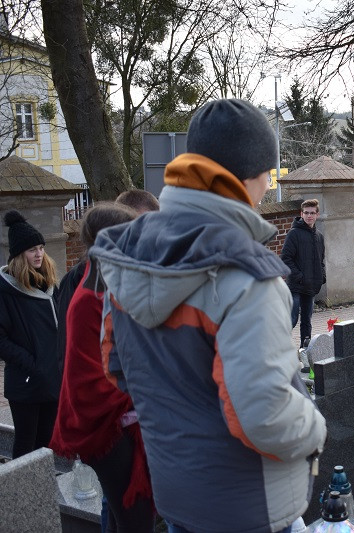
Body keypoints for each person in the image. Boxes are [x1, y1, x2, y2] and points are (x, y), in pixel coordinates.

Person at [90, 98, 327, 533]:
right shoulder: (246, 276)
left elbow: (116, 368)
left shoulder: (130, 255)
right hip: (248, 507)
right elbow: (264, 416)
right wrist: (315, 425)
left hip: (178, 495)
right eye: (269, 174)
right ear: (253, 175)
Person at [50, 203, 155, 533]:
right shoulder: (88, 299)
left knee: (130, 518)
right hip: (105, 428)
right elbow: (88, 381)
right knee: (133, 518)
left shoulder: (107, 287)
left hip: (119, 420)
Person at [0, 210, 60, 458]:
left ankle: (44, 493)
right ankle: (21, 495)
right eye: (32, 249)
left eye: (41, 248)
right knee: (26, 445)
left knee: (48, 444)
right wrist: (32, 365)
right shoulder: (6, 290)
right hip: (26, 382)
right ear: (19, 255)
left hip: (51, 379)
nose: (39, 254)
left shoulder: (49, 284)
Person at [281, 198, 326, 346]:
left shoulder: (319, 236)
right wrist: (299, 276)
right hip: (295, 286)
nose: (309, 216)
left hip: (311, 287)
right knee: (291, 319)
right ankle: (279, 350)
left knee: (307, 322)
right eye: (306, 213)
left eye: (312, 213)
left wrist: (322, 276)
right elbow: (286, 258)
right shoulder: (294, 234)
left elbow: (321, 260)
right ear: (301, 214)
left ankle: (305, 352)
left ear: (317, 215)